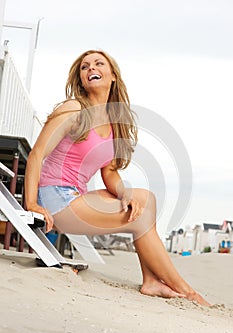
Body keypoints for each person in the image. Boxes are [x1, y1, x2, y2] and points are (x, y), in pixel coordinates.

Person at [25, 49, 209, 306]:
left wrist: (125, 194)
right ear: (81, 78)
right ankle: (187, 292)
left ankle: (151, 281)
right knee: (140, 217)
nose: (91, 69)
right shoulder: (74, 109)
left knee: (145, 199)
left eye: (98, 64)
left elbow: (109, 171)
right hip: (55, 198)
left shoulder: (114, 123)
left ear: (112, 76)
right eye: (85, 67)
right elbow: (36, 155)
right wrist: (31, 204)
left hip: (76, 196)